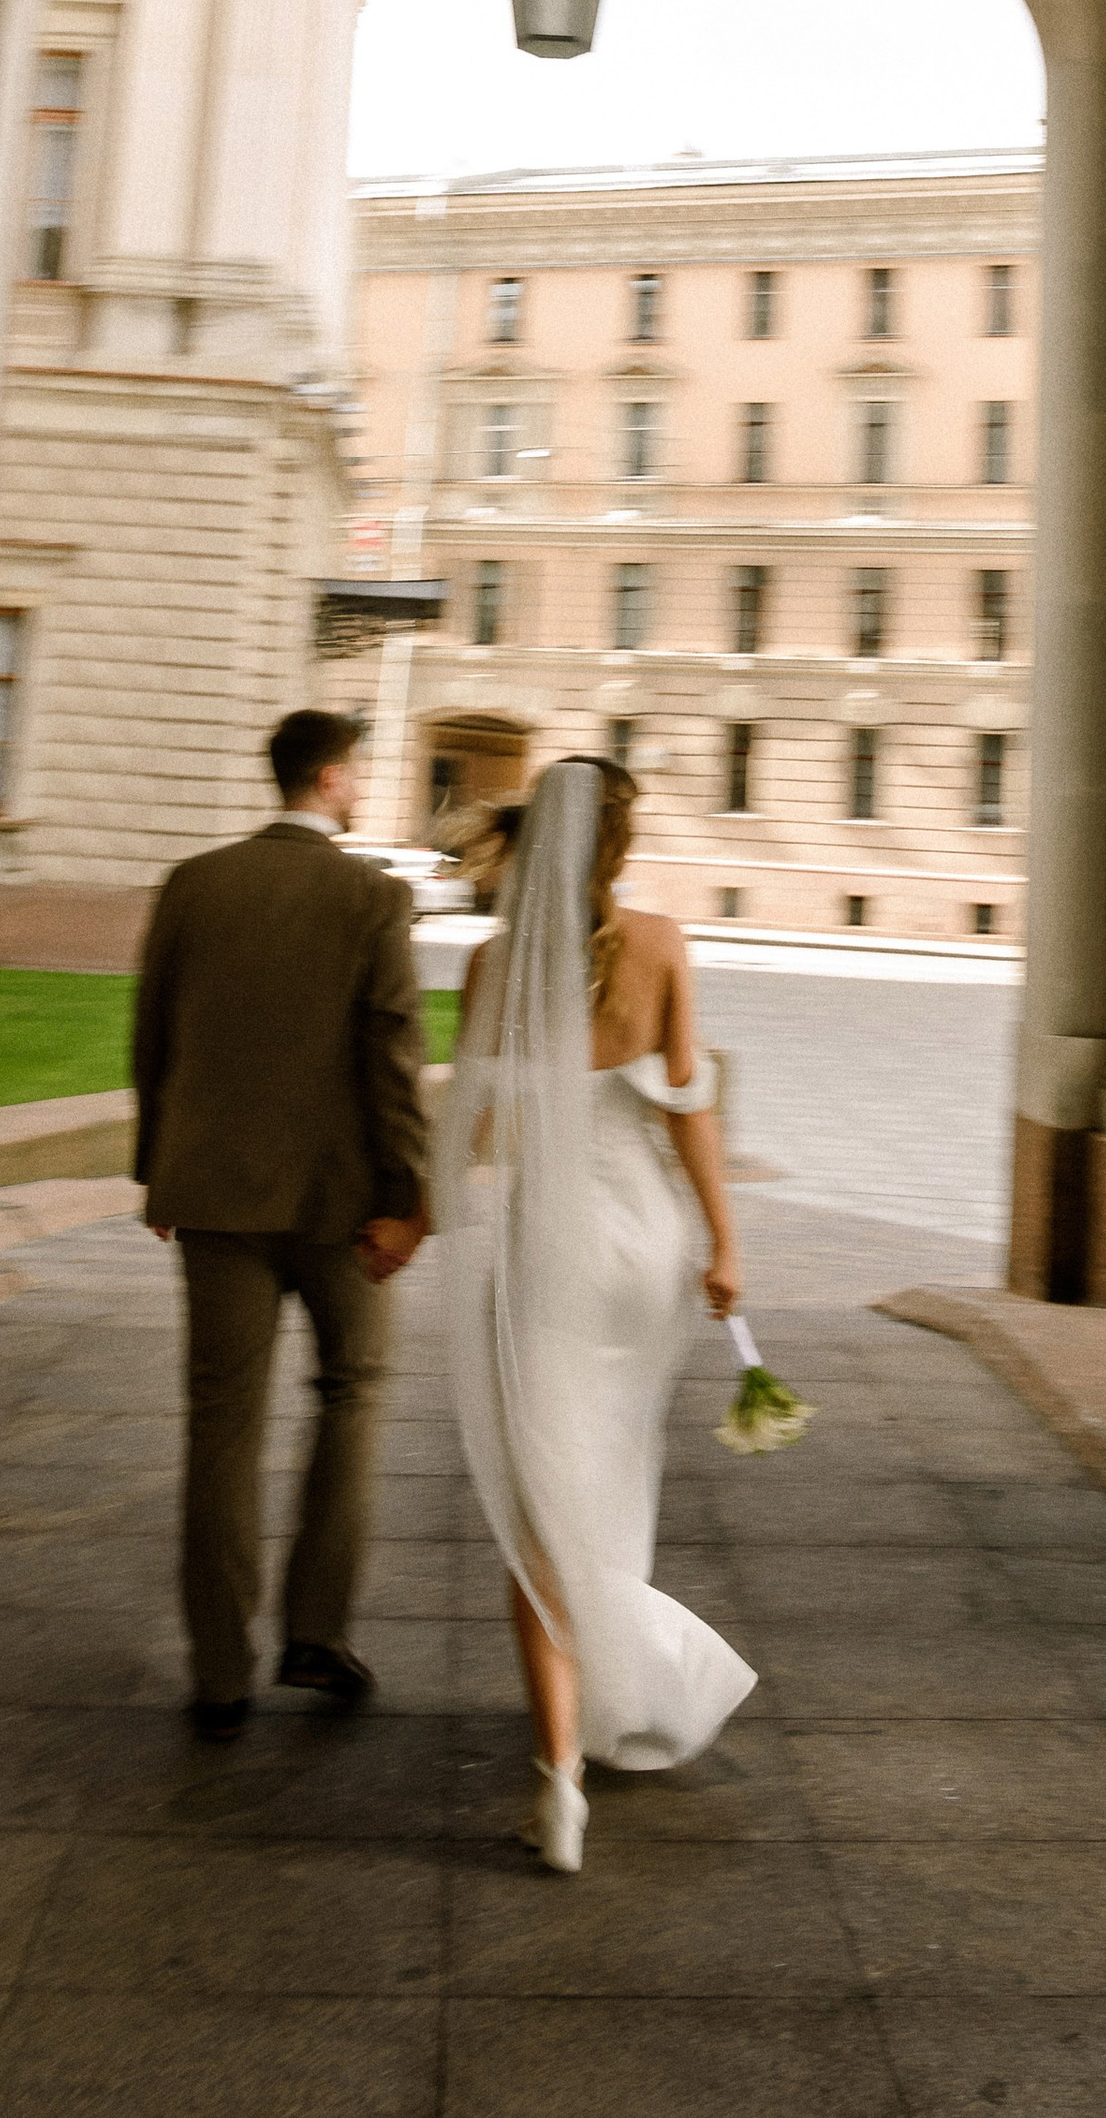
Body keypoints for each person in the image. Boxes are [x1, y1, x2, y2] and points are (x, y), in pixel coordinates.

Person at [440, 753, 755, 1873]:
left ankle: (558, 1775)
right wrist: (722, 1242)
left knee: (543, 1500)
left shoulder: (491, 966)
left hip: (548, 1246)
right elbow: (690, 1110)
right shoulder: (665, 945)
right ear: (617, 846)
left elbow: (472, 1136)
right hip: (643, 1244)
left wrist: (413, 1209)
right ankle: (616, 1674)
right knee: (611, 1464)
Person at [132, 706, 430, 1739]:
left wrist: (155, 1174)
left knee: (221, 1421)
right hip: (341, 1205)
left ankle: (218, 1672)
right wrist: (406, 1200)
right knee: (351, 1393)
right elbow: (393, 1057)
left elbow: (152, 1035)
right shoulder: (369, 894)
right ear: (335, 778)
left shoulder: (194, 883)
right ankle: (313, 1631)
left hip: (213, 1194)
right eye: (357, 774)